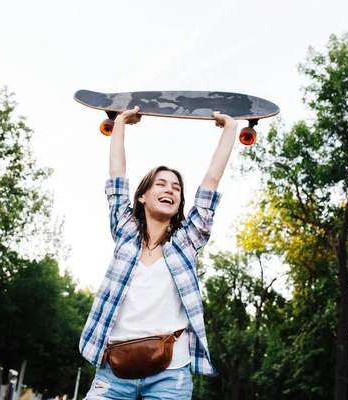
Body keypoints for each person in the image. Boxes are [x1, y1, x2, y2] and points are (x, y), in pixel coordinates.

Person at [80, 105, 238, 400]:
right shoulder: (126, 234)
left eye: (176, 188)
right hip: (113, 373)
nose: (171, 190)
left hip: (170, 376)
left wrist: (230, 129)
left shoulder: (186, 242)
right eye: (161, 184)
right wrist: (122, 123)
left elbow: (211, 184)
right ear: (142, 196)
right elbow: (117, 176)